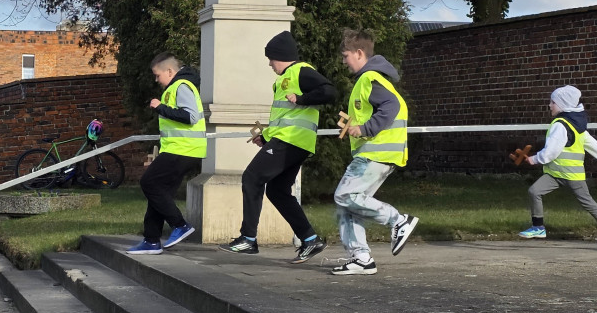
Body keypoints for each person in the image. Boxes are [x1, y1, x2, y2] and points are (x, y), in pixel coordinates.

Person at [219, 31, 336, 264]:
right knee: (277, 190)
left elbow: (330, 92)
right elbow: (285, 118)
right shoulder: (286, 78)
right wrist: (266, 137)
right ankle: (310, 239)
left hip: (291, 141)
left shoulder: (300, 71)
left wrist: (301, 99)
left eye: (271, 58)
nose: (270, 64)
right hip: (291, 141)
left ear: (281, 56)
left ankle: (248, 239)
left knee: (252, 177)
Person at [331, 29, 418, 276]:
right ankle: (361, 259)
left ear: (359, 53)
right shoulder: (372, 79)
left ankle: (398, 220)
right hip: (377, 154)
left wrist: (366, 128)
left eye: (346, 55)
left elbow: (391, 106)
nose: (344, 61)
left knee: (344, 195)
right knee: (348, 205)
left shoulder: (370, 79)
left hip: (375, 154)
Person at [518, 86, 597, 250]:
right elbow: (593, 145)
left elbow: (551, 152)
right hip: (555, 174)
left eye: (553, 102)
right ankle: (538, 227)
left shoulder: (561, 125)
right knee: (534, 191)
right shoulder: (575, 124)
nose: (550, 105)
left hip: (572, 175)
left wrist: (535, 159)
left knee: (588, 203)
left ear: (563, 104)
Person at [126, 54, 205, 255]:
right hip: (180, 148)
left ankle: (180, 225)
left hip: (183, 149)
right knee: (160, 192)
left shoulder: (182, 86)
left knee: (149, 183)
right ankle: (151, 240)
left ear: (169, 71)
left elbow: (190, 116)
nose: (156, 80)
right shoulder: (176, 87)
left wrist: (160, 108)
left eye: (157, 75)